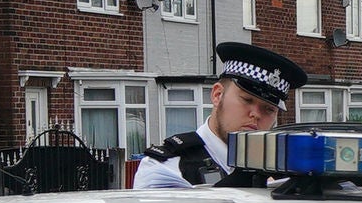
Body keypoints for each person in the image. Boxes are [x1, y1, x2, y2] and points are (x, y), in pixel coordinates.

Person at [128, 41, 310, 188]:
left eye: (268, 109)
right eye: (246, 100)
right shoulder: (167, 167)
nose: (256, 114)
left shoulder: (285, 171)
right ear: (217, 95)